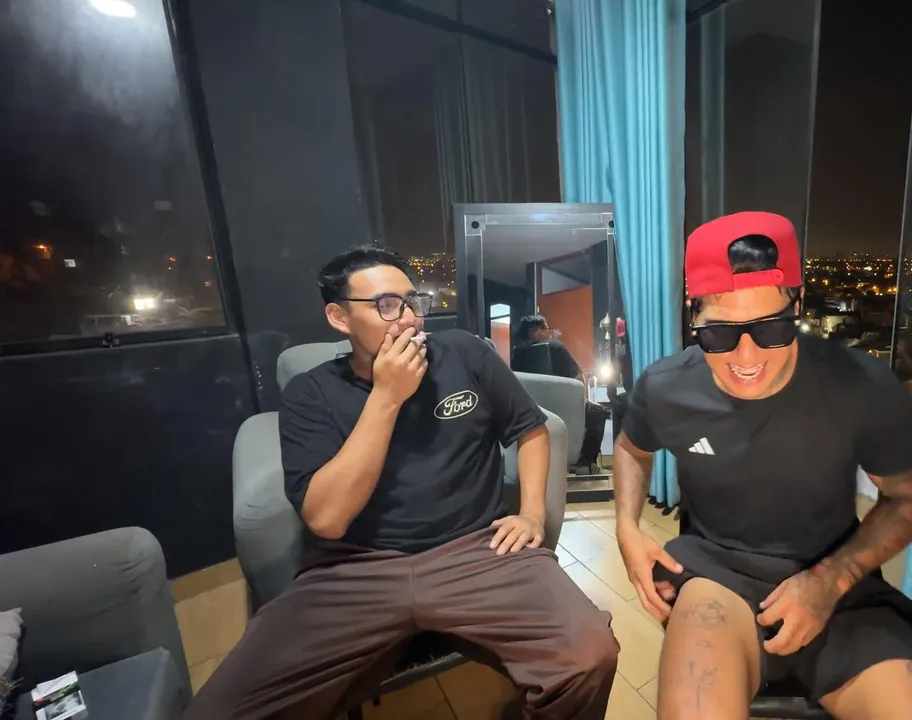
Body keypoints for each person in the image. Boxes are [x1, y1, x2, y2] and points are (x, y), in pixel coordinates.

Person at [185, 245, 618, 720]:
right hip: (354, 568)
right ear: (340, 317)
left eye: (413, 301)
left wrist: (532, 512)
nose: (410, 318)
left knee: (590, 655)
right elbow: (326, 520)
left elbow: (531, 429)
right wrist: (387, 397)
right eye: (387, 305)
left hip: (477, 551)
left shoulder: (465, 353)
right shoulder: (311, 393)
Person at [611, 212, 912, 719]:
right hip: (718, 577)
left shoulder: (859, 387)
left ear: (797, 306)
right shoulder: (667, 388)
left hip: (843, 587)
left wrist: (829, 581)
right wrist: (626, 527)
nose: (746, 355)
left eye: (773, 328)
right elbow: (632, 449)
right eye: (720, 334)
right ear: (694, 317)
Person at [514, 314, 609, 474]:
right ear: (536, 332)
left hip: (532, 410)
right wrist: (582, 400)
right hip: (562, 407)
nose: (549, 333)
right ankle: (584, 464)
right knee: (598, 411)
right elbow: (578, 377)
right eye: (547, 329)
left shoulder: (518, 354)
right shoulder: (555, 347)